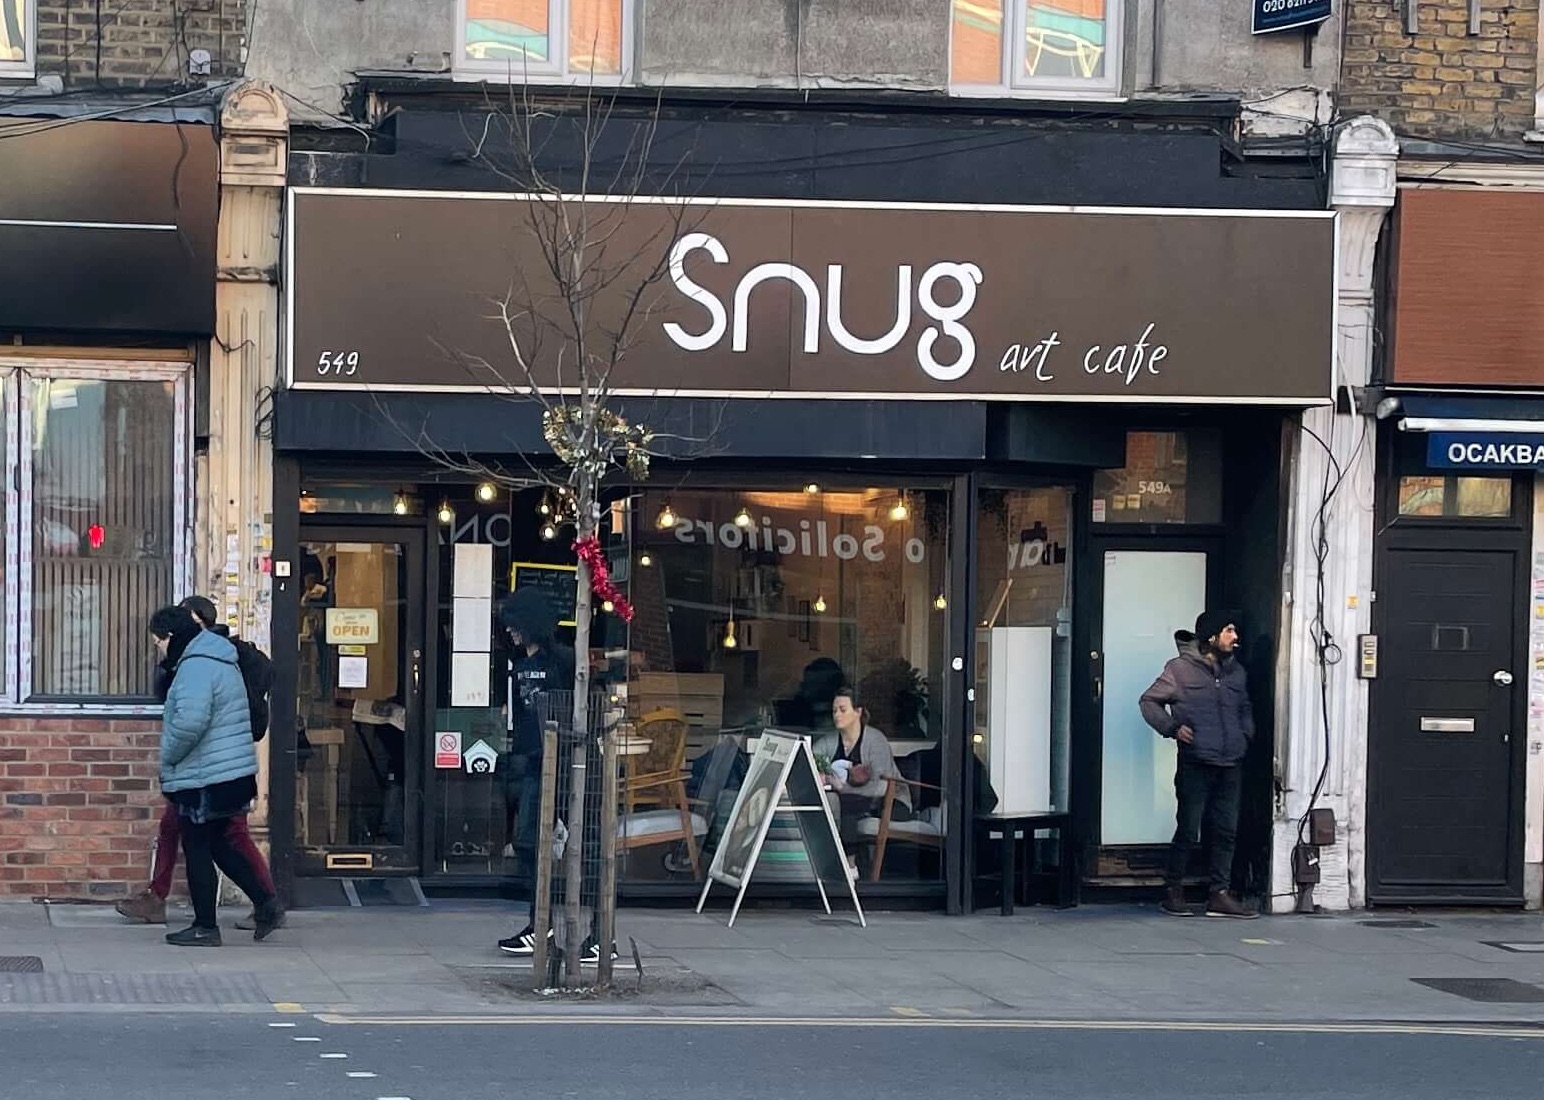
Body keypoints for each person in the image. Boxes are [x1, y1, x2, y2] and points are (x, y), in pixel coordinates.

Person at [117, 597, 279, 932]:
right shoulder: (218, 657)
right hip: (228, 772)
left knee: (199, 847)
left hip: (207, 776)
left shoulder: (196, 666)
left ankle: (205, 927)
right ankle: (265, 905)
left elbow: (190, 722)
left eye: (159, 642)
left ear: (171, 637)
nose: (159, 649)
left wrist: (169, 756)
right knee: (220, 845)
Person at [1139, 610, 1257, 920]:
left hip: (1231, 762)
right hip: (1196, 761)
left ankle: (1219, 894)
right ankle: (1173, 890)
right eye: (1229, 630)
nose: (1235, 637)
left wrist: (1246, 734)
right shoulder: (1179, 670)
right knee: (1189, 828)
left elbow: (1244, 707)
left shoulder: (1237, 672)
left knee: (1226, 830)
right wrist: (1172, 728)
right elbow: (1149, 701)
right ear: (1211, 636)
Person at [495, 587, 579, 958]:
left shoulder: (561, 660)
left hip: (557, 760)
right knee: (529, 842)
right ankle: (540, 924)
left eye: (514, 623)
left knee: (532, 841)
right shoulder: (518, 662)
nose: (509, 630)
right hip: (530, 759)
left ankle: (548, 926)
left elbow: (572, 707)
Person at [812, 686, 911, 861]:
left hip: (890, 803)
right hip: (855, 803)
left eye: (843, 710)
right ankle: (840, 862)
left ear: (858, 712)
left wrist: (842, 788)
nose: (837, 715)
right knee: (837, 803)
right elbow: (811, 758)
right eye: (834, 711)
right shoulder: (830, 740)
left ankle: (849, 863)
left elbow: (881, 787)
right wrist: (819, 774)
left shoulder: (876, 740)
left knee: (845, 805)